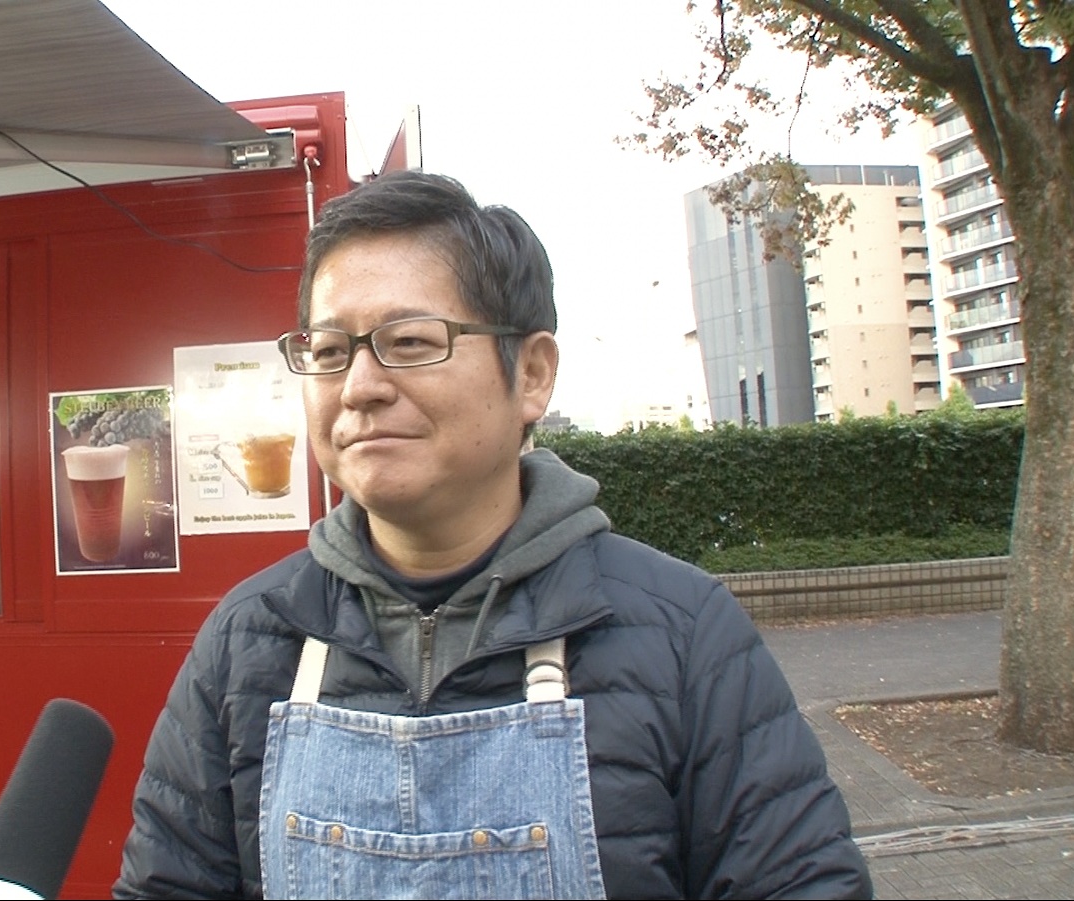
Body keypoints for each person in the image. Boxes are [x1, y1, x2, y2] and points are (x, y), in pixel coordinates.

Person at [112, 169, 873, 900]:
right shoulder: (250, 639)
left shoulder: (682, 634)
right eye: (329, 350)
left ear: (533, 374)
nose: (360, 386)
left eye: (410, 340)